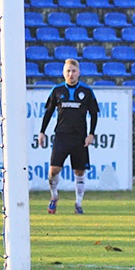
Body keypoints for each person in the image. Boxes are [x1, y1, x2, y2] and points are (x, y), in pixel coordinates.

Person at [38, 58, 99, 215]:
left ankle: (78, 204)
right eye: (68, 71)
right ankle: (54, 196)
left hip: (79, 137)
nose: (70, 74)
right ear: (63, 73)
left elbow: (93, 114)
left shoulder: (86, 92)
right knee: (53, 170)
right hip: (62, 136)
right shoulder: (57, 91)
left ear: (79, 72)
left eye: (73, 71)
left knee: (79, 172)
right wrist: (42, 131)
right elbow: (48, 112)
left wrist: (91, 134)